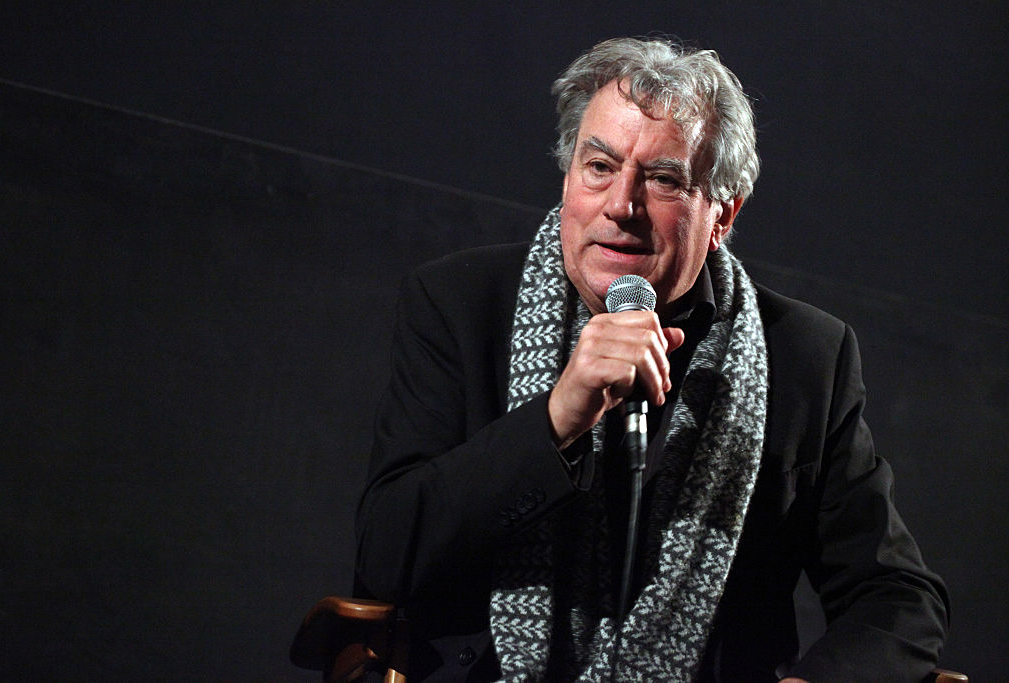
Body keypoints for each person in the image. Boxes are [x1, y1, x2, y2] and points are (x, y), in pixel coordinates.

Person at [355, 36, 948, 682]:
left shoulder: (806, 358)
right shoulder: (459, 305)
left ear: (723, 213)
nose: (621, 206)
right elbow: (384, 557)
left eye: (663, 179)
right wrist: (554, 420)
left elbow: (899, 600)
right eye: (599, 166)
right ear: (568, 171)